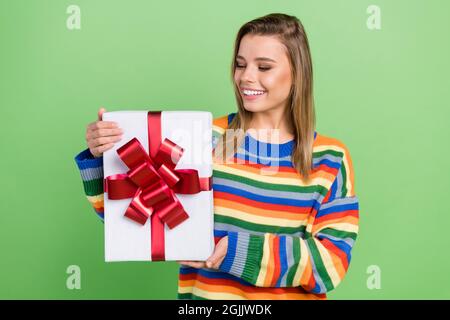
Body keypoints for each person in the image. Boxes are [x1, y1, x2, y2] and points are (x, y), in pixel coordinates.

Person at [75, 13, 359, 300]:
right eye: (240, 64)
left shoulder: (328, 159)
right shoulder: (210, 139)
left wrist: (237, 253)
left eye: (264, 67)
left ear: (298, 73)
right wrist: (106, 156)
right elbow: (135, 220)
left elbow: (331, 265)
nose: (246, 76)